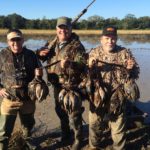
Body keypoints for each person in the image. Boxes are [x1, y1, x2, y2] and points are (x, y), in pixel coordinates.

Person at [36, 17, 87, 149]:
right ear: (56, 29)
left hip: (72, 85)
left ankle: (78, 139)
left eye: (66, 28)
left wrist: (70, 63)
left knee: (74, 113)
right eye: (60, 28)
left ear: (71, 29)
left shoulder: (77, 45)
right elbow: (42, 57)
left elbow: (82, 64)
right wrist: (40, 53)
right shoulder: (52, 43)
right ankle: (66, 135)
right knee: (60, 111)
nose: (63, 30)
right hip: (56, 84)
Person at [88, 26, 140, 150]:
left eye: (112, 38)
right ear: (101, 39)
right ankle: (93, 146)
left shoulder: (124, 53)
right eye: (107, 38)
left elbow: (136, 74)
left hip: (118, 96)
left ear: (116, 39)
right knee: (95, 124)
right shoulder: (94, 52)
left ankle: (118, 147)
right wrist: (89, 66)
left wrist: (130, 69)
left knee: (118, 128)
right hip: (98, 95)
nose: (109, 41)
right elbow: (84, 75)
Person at [0, 29, 42, 150]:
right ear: (8, 41)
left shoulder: (31, 55)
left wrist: (38, 75)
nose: (15, 43)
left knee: (28, 128)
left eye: (18, 39)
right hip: (9, 99)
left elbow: (38, 75)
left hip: (28, 99)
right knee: (3, 131)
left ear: (23, 40)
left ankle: (26, 145)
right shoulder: (2, 55)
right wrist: (0, 89)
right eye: (12, 40)